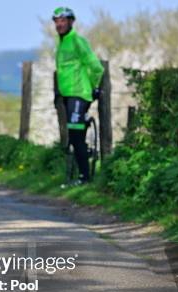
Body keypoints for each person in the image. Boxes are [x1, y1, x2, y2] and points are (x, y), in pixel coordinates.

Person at [53, 6, 104, 185]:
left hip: (79, 94)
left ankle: (85, 178)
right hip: (68, 95)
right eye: (56, 21)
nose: (59, 24)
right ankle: (82, 175)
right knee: (76, 136)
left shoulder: (77, 41)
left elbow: (96, 66)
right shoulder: (62, 43)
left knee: (75, 135)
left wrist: (94, 86)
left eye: (63, 21)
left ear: (71, 22)